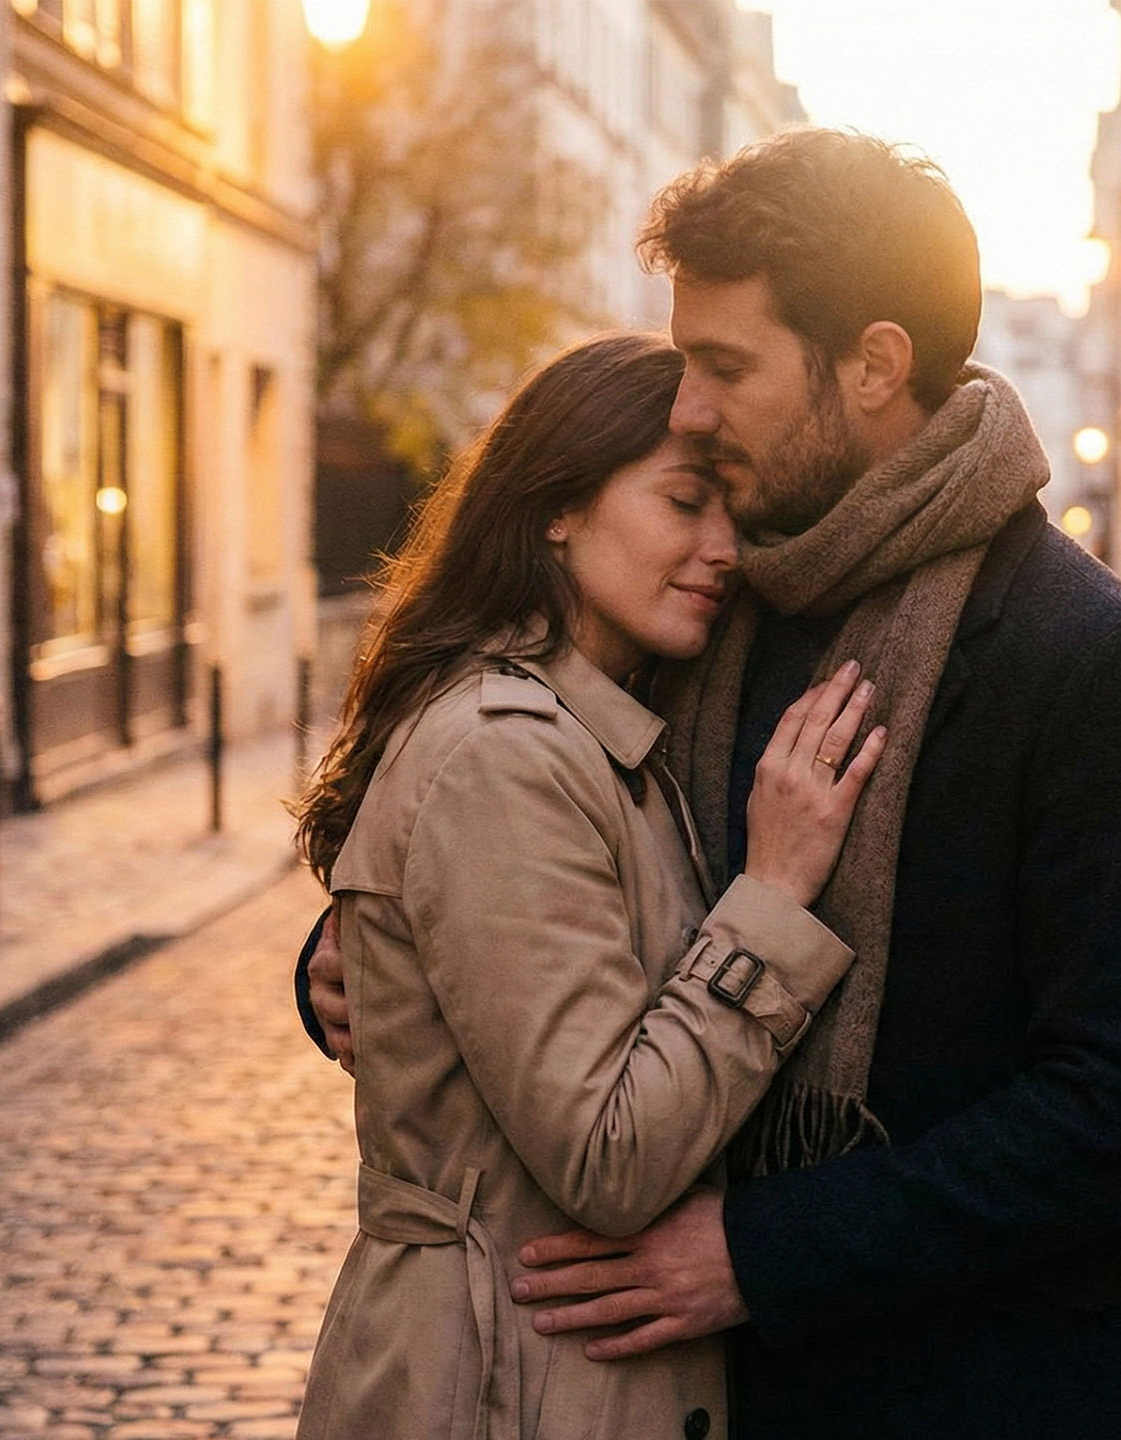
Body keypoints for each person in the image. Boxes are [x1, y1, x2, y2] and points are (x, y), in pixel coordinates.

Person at [306, 129, 1121, 1438]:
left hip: (969, 1391)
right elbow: (545, 844)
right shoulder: (723, 603)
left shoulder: (1086, 665)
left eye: (723, 366)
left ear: (872, 365)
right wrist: (369, 946)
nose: (688, 406)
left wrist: (760, 1250)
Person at [290, 331, 894, 1440]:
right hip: (495, 1384)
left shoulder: (599, 730)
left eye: (732, 513)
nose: (726, 549)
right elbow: (609, 1159)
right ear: (555, 509)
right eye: (680, 504)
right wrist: (773, 891)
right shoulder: (505, 752)